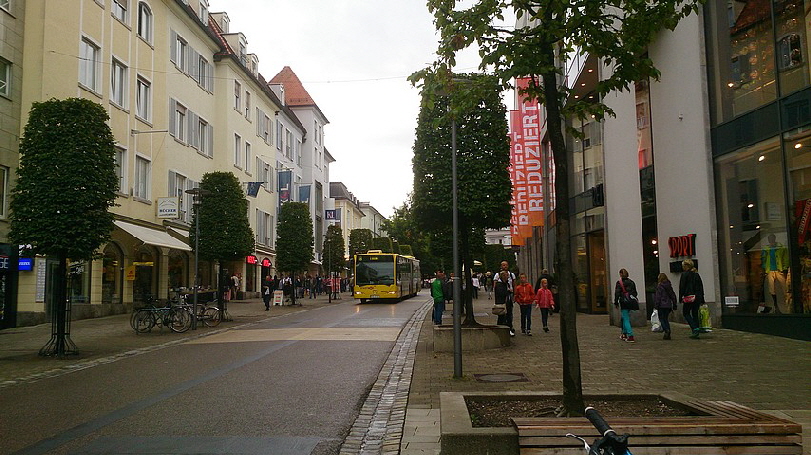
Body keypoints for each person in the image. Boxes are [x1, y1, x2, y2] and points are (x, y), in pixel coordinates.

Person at [678, 259, 704, 339]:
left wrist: (680, 297)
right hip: (697, 297)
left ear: (686, 266)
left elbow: (682, 287)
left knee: (686, 313)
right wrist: (702, 298)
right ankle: (696, 330)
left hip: (689, 297)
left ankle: (694, 328)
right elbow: (700, 287)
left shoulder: (685, 275)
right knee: (695, 313)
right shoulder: (696, 274)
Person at [613, 268, 639, 343]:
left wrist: (616, 302)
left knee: (625, 318)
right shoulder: (631, 282)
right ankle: (624, 333)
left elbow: (617, 293)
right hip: (630, 301)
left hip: (624, 302)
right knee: (625, 317)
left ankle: (630, 335)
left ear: (621, 274)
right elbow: (635, 293)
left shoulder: (619, 283)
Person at [493, 261, 516, 336]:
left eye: (506, 265)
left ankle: (509, 327)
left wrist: (514, 294)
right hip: (502, 301)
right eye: (503, 265)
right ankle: (502, 328)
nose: (505, 266)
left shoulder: (511, 275)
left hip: (508, 299)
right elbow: (496, 288)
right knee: (502, 314)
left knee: (509, 313)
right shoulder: (498, 278)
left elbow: (514, 284)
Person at [654, 272, 677, 340]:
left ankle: (666, 330)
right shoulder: (669, 285)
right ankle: (668, 331)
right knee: (666, 319)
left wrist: (656, 305)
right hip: (668, 305)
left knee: (662, 318)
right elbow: (672, 295)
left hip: (661, 305)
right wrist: (674, 303)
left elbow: (658, 297)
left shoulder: (660, 286)